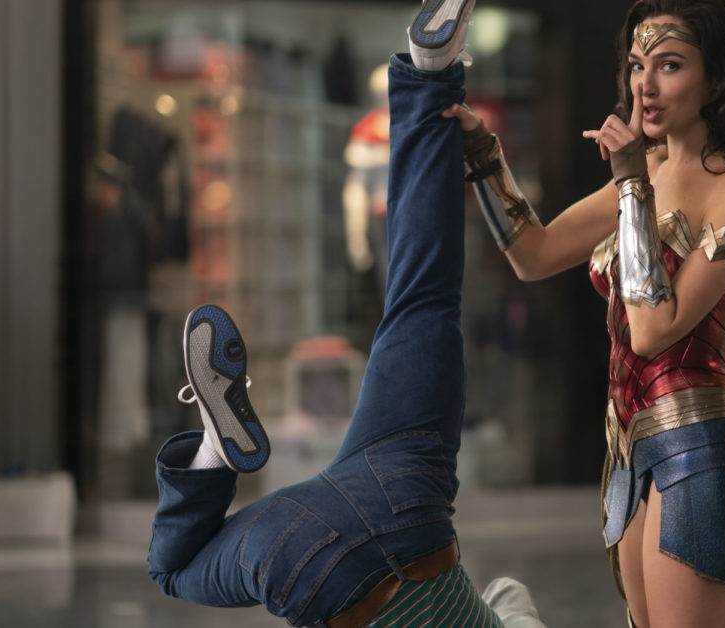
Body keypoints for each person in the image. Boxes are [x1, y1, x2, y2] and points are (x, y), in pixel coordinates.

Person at [146, 2, 546, 626]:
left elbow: (511, 592)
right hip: (304, 560)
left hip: (409, 498)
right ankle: (211, 456)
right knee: (172, 570)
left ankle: (431, 74)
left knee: (423, 298)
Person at [444, 1, 725, 625]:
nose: (645, 85)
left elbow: (653, 328)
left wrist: (633, 182)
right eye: (638, 65)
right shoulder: (645, 172)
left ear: (717, 77)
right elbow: (533, 254)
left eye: (670, 65)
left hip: (701, 444)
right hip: (630, 446)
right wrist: (482, 152)